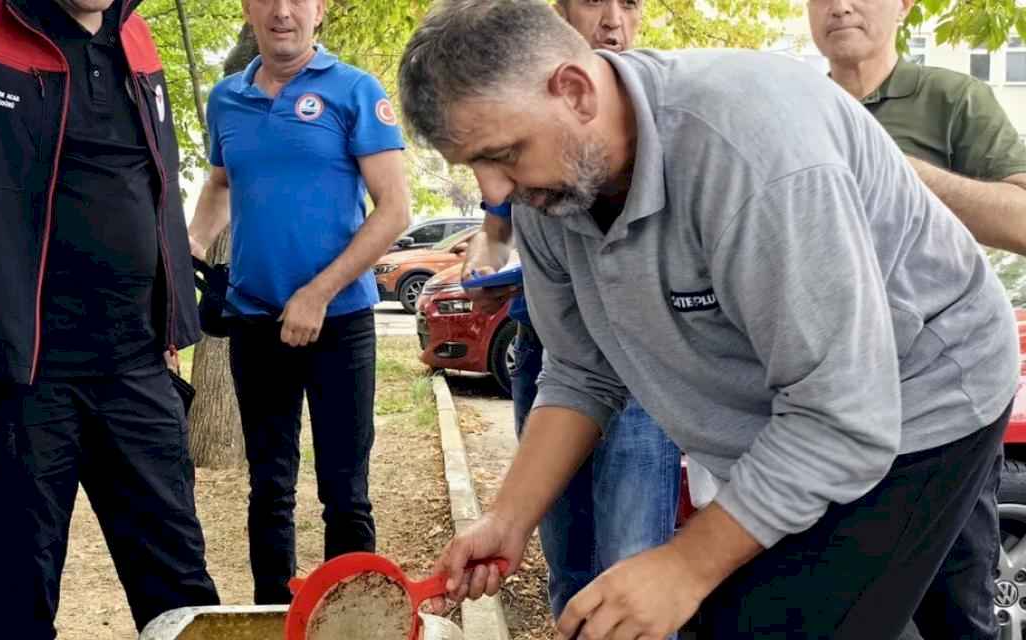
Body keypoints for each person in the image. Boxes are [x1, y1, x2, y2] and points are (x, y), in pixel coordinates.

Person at [398, 1, 1019, 638]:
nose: (495, 192)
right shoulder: (546, 189)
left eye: (504, 154)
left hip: (920, 398)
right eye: (475, 164)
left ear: (575, 91)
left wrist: (686, 565)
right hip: (799, 416)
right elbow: (583, 371)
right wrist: (507, 518)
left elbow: (842, 418)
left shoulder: (753, 152)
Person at [0, 0, 218, 636]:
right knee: (18, 607)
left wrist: (168, 326)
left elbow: (149, 187)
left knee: (183, 599)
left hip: (138, 371)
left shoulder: (137, 37)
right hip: (23, 382)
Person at [460, 0, 680, 622]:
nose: (612, 18)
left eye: (629, 3)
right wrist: (506, 519)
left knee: (634, 555)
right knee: (568, 553)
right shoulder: (520, 137)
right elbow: (496, 228)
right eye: (592, 0)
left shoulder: (678, 131)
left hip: (644, 370)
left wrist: (691, 565)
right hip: (551, 350)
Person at [186, 0, 411, 605]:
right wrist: (188, 250)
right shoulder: (226, 99)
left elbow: (395, 210)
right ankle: (275, 614)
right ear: (247, 9)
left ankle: (349, 620)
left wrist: (318, 292)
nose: (282, 11)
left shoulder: (355, 90)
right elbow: (221, 184)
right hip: (255, 323)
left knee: (345, 493)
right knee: (269, 490)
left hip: (339, 325)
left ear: (320, 10)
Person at [810, 0, 1026, 255]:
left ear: (903, 6)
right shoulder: (795, 112)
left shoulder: (955, 97)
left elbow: (1020, 224)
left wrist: (893, 170)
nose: (840, 7)